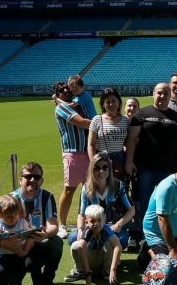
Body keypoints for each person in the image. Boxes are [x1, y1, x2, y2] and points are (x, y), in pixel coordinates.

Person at [125, 83, 177, 217]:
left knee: (166, 203)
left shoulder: (176, 118)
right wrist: (129, 161)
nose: (162, 96)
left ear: (170, 96)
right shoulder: (141, 114)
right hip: (144, 169)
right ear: (153, 94)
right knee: (142, 201)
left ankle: (163, 232)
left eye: (166, 93)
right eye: (159, 93)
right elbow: (132, 138)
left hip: (168, 169)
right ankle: (140, 234)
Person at [11, 162, 64, 284]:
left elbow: (53, 226)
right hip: (16, 246)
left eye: (37, 177)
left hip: (37, 243)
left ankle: (47, 279)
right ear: (20, 180)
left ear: (42, 180)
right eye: (28, 176)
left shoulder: (47, 196)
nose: (33, 179)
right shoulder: (12, 199)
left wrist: (45, 234)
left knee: (56, 242)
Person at [68, 152, 134, 249]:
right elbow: (81, 214)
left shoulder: (118, 185)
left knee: (123, 239)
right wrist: (81, 229)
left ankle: (100, 250)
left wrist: (119, 224)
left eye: (104, 167)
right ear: (92, 170)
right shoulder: (86, 188)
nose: (101, 171)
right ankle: (94, 253)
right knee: (73, 237)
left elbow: (131, 210)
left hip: (112, 228)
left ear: (109, 169)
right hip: (92, 227)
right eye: (97, 168)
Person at [53, 81, 92, 239]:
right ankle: (61, 224)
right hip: (73, 153)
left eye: (67, 88)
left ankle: (88, 222)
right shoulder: (61, 107)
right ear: (57, 94)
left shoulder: (75, 103)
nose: (65, 90)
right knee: (69, 189)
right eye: (61, 90)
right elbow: (81, 123)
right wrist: (104, 122)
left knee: (90, 191)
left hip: (88, 151)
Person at [0, 194, 35, 285]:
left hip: (19, 256)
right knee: (0, 276)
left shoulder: (22, 223)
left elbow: (30, 238)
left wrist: (25, 251)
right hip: (3, 256)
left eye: (16, 214)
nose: (13, 218)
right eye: (9, 216)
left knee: (15, 280)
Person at [64, 205, 121, 284]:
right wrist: (87, 274)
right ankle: (80, 271)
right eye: (92, 221)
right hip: (90, 261)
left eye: (99, 220)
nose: (96, 224)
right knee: (75, 246)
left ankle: (107, 271)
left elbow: (118, 246)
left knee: (112, 243)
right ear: (86, 222)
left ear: (104, 220)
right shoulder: (87, 231)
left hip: (102, 259)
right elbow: (80, 248)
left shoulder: (105, 229)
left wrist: (113, 270)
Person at [87, 87, 129, 181]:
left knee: (120, 189)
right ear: (103, 104)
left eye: (114, 101)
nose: (111, 104)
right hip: (102, 159)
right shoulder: (97, 119)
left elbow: (128, 143)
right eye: (107, 102)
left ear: (119, 102)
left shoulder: (125, 120)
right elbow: (91, 144)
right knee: (103, 188)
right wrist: (93, 162)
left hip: (120, 158)